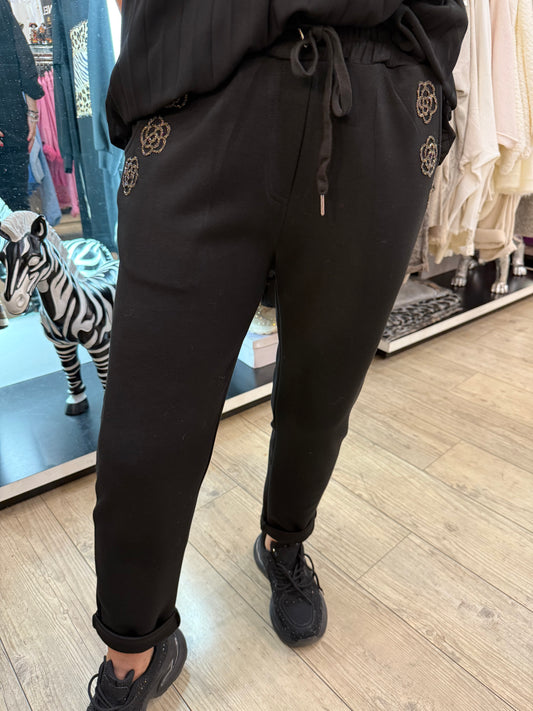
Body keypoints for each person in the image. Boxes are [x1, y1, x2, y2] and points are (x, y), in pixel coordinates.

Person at [87, 1, 468, 709]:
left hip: (376, 91)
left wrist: (426, 85)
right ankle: (131, 648)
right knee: (148, 421)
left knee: (324, 389)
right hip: (199, 90)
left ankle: (283, 542)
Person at [0, 0, 44, 211]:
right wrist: (32, 112)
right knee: (16, 208)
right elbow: (22, 56)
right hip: (13, 120)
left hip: (11, 121)